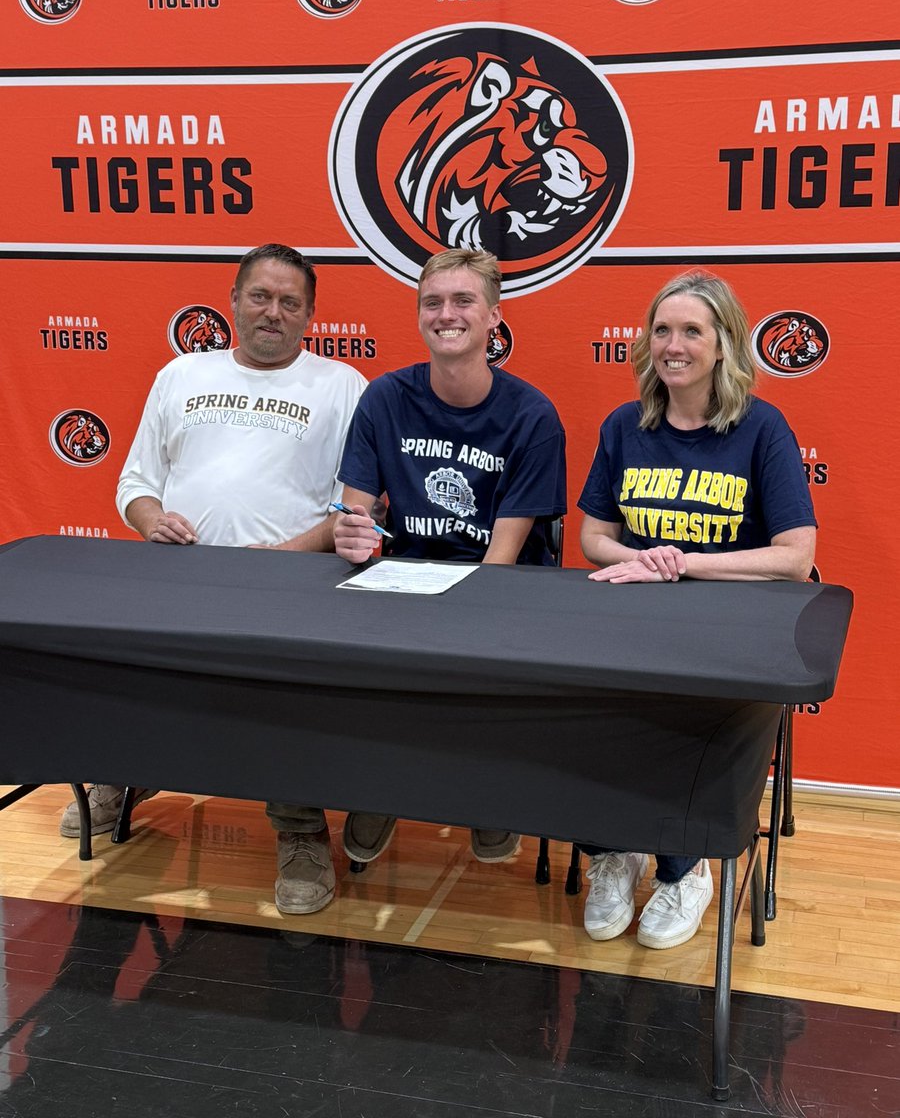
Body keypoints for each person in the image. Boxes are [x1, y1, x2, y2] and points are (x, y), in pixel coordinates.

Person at [58, 243, 367, 916]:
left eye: (290, 302)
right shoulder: (180, 374)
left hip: (292, 582)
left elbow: (361, 500)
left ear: (311, 314)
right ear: (232, 301)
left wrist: (291, 552)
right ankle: (125, 778)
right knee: (136, 672)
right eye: (260, 296)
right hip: (179, 574)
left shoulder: (342, 385)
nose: (273, 313)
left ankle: (301, 831)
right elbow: (136, 483)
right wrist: (151, 521)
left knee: (283, 699)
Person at [577, 270, 816, 950]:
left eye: (692, 331)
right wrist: (639, 555)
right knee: (582, 706)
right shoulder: (626, 425)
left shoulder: (760, 428)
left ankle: (684, 870)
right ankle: (613, 853)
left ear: (723, 346)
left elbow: (796, 555)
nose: (673, 345)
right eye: (662, 329)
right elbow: (593, 535)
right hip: (636, 616)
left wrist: (684, 562)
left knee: (675, 712)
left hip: (724, 623)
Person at [333, 248, 567, 865]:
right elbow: (355, 514)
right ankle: (379, 785)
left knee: (474, 655)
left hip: (498, 582)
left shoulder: (532, 415)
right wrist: (354, 534)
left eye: (463, 301)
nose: (447, 314)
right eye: (432, 302)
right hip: (406, 572)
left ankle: (486, 789)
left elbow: (502, 557)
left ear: (494, 316)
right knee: (351, 648)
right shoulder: (384, 397)